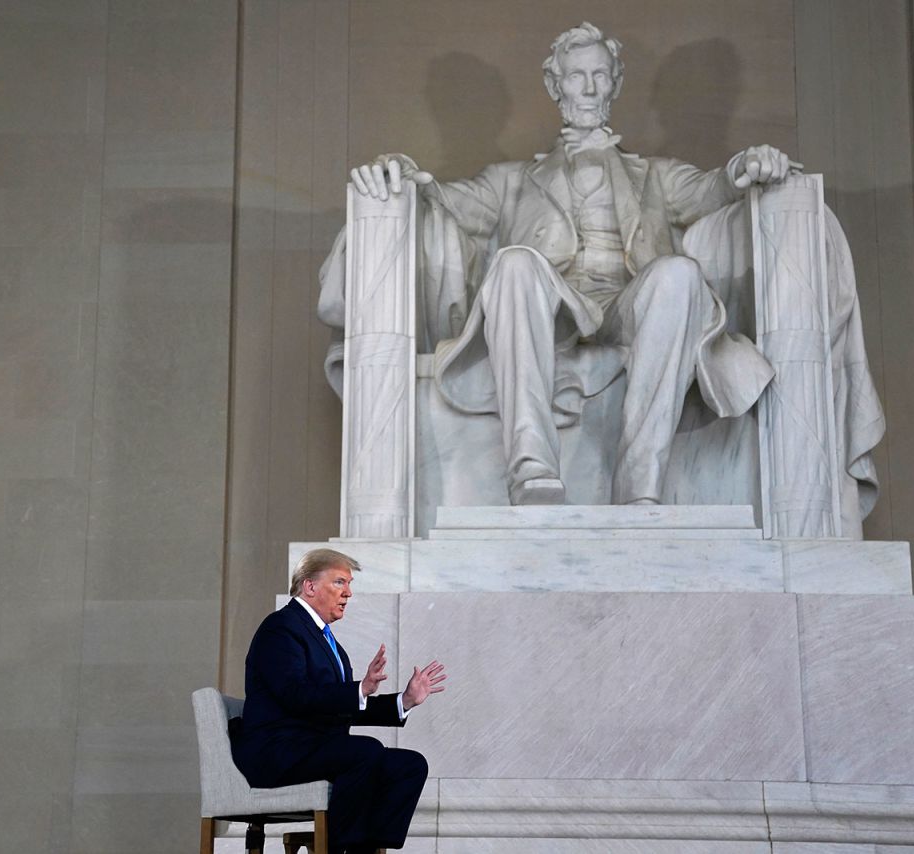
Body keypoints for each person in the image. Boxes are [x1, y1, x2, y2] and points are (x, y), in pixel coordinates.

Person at [349, 22, 795, 506]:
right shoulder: (512, 181)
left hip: (629, 305)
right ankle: (532, 470)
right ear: (554, 84)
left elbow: (713, 189)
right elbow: (442, 198)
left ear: (616, 83)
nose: (588, 88)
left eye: (600, 75)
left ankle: (640, 483)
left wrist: (746, 164)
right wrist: (399, 170)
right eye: (576, 75)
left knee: (679, 273)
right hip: (554, 307)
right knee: (516, 262)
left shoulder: (656, 176)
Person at [231, 548, 446, 854]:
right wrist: (357, 690)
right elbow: (295, 695)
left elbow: (340, 708)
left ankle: (365, 848)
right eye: (340, 582)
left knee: (409, 766)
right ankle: (335, 848)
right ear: (310, 586)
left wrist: (405, 700)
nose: (349, 593)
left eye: (349, 584)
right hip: (278, 751)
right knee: (364, 751)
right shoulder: (280, 628)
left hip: (314, 748)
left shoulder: (330, 643)